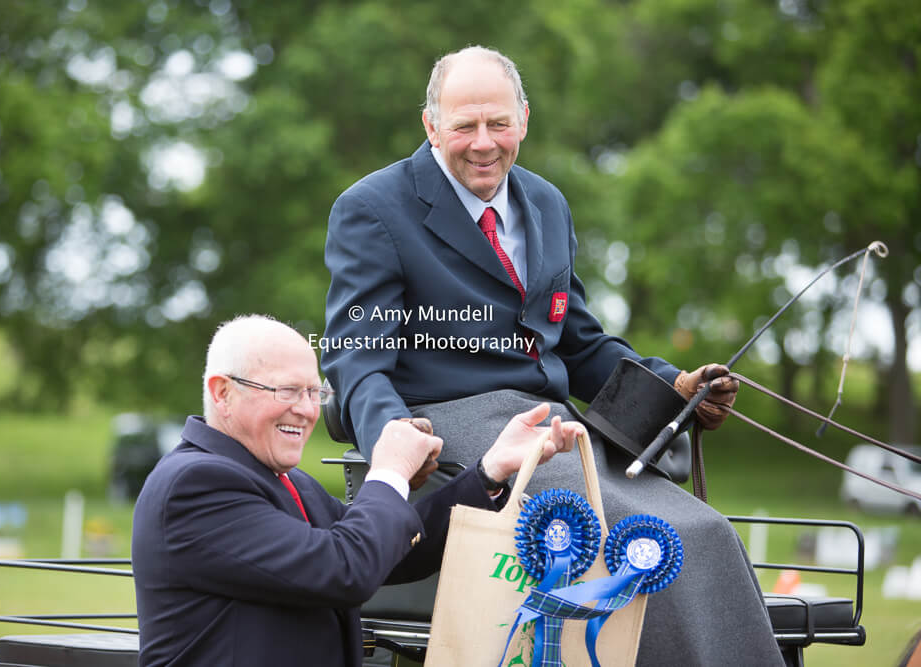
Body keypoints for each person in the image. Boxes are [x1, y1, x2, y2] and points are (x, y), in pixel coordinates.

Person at [322, 46, 784, 665]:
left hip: (559, 430)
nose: (483, 143)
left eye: (499, 123)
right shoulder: (372, 208)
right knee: (639, 536)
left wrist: (674, 386)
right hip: (459, 430)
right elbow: (355, 357)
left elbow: (579, 344)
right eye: (463, 126)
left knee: (708, 530)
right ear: (430, 125)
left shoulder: (547, 203)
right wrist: (396, 443)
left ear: (524, 119)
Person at [131, 314, 581, 667]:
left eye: (314, 393)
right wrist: (389, 471)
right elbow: (346, 569)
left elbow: (389, 552)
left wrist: (491, 469)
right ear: (222, 393)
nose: (306, 410)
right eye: (287, 391)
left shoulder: (284, 480)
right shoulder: (195, 484)